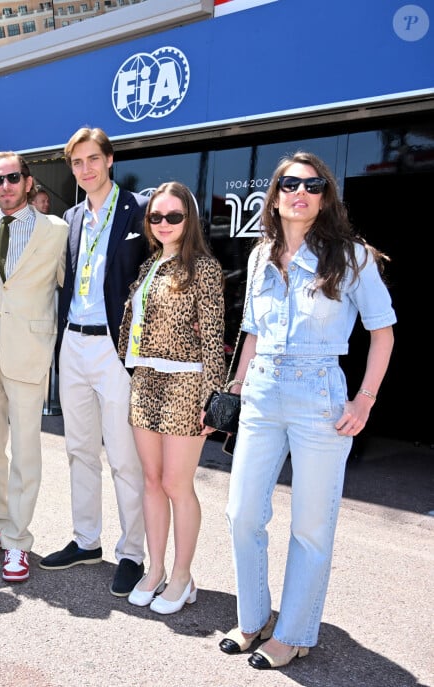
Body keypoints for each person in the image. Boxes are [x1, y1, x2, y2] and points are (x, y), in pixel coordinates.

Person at [221, 152, 396, 669]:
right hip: (261, 389)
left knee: (311, 525)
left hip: (320, 391)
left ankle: (294, 632)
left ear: (325, 197)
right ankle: (253, 618)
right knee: (242, 513)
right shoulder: (259, 256)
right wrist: (235, 388)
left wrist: (364, 400)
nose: (301, 192)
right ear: (274, 195)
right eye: (290, 184)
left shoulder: (352, 256)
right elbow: (251, 331)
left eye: (313, 185)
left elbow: (382, 333)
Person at [38, 127, 149, 597]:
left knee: (124, 456)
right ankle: (87, 540)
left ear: (109, 159)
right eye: (77, 163)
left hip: (114, 348)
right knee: (79, 449)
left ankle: (133, 552)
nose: (85, 169)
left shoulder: (140, 209)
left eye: (92, 159)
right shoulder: (72, 216)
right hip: (75, 344)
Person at [117, 181, 225, 613]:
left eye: (174, 216)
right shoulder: (147, 268)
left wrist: (212, 397)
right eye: (156, 217)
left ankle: (183, 577)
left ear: (190, 220)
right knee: (151, 482)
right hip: (146, 382)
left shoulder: (204, 268)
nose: (163, 224)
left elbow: (214, 339)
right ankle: (156, 569)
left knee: (177, 484)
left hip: (186, 384)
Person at [0, 151, 68, 582]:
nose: (5, 186)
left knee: (26, 451)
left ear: (28, 182)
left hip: (29, 350)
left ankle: (17, 540)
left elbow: (71, 285)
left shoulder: (57, 230)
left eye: (13, 178)